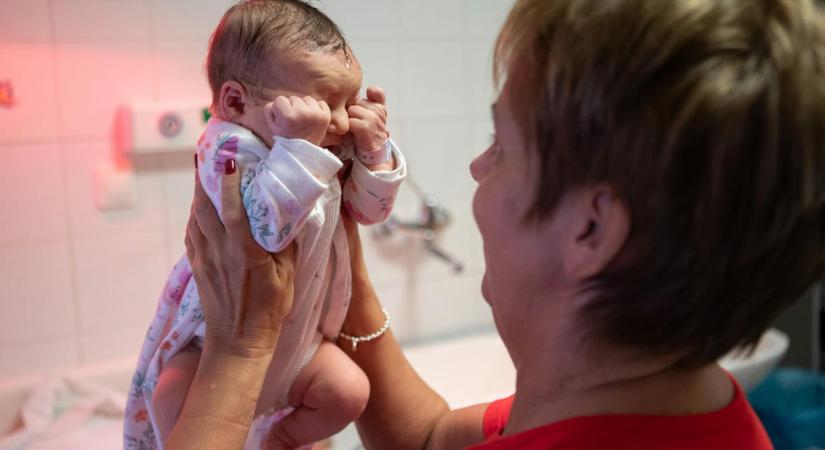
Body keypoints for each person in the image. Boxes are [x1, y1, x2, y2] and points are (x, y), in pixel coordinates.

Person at [169, 0, 825, 448]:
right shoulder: (665, 398)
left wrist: (238, 348)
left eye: (501, 144)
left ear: (591, 231)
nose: (479, 169)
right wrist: (339, 245)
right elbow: (426, 439)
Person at [123, 1, 407, 449]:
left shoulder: (319, 143)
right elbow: (263, 233)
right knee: (170, 394)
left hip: (297, 347)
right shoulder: (227, 149)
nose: (338, 121)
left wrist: (374, 152)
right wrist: (300, 149)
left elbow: (373, 213)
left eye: (346, 102)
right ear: (236, 101)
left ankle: (281, 441)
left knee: (349, 392)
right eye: (321, 103)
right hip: (213, 348)